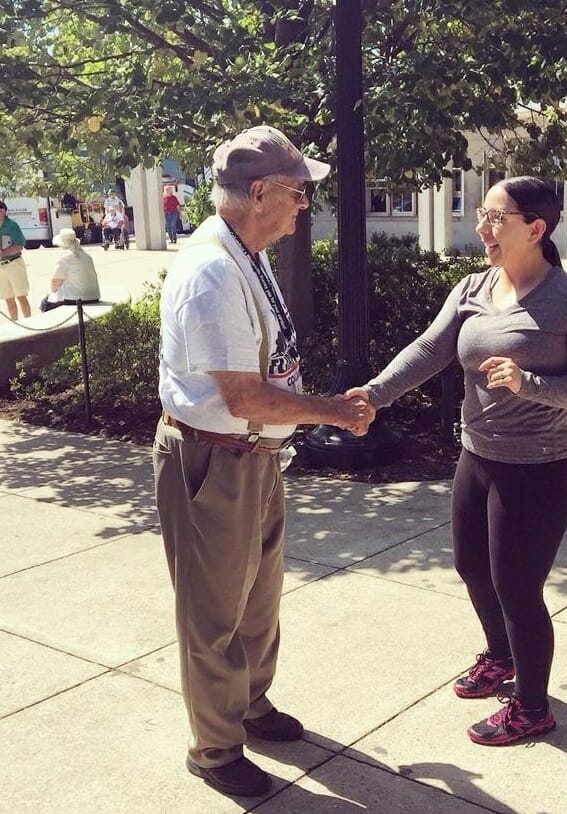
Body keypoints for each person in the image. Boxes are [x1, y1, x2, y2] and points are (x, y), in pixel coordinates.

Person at [346, 176, 567, 746]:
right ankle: (500, 657)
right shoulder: (473, 287)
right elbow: (428, 350)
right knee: (473, 569)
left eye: (494, 217)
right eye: (480, 214)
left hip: (539, 468)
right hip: (478, 456)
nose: (481, 227)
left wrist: (532, 383)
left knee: (518, 587)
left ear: (535, 228)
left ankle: (533, 707)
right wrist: (372, 394)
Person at [153, 125, 372, 798]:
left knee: (258, 599)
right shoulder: (214, 269)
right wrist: (335, 411)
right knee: (213, 612)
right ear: (258, 192)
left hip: (252, 455)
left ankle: (249, 704)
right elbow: (243, 394)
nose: (304, 205)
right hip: (213, 460)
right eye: (298, 191)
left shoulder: (247, 252)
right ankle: (215, 750)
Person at [40, 228, 100, 312]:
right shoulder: (86, 255)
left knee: (45, 303)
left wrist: (52, 294)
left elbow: (56, 282)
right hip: (93, 296)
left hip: (74, 299)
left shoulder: (65, 256)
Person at [0, 200, 31, 321]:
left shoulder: (12, 225)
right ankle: (15, 326)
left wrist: (3, 253)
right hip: (1, 267)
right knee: (8, 299)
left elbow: (20, 244)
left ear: (3, 211)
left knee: (21, 297)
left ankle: (29, 324)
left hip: (14, 264)